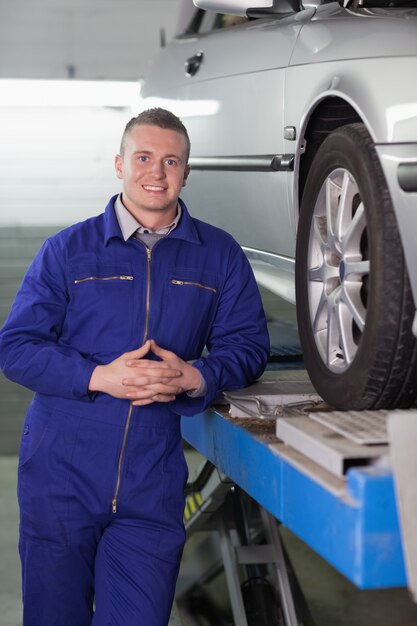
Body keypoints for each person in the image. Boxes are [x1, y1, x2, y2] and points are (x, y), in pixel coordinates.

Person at [0, 107, 269, 626]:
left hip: (151, 483)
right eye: (144, 157)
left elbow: (248, 345)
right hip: (60, 476)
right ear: (120, 163)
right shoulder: (67, 251)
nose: (157, 171)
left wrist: (197, 376)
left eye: (172, 161)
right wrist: (100, 377)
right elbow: (16, 346)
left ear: (187, 173)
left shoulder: (219, 255)